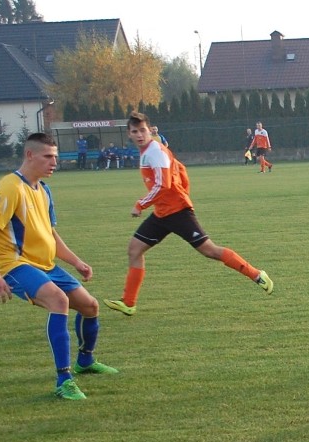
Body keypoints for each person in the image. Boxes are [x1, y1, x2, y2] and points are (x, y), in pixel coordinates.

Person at [0, 133, 118, 400]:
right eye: (48, 157)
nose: (54, 163)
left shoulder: (44, 189)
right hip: (15, 265)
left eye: (56, 157)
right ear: (30, 155)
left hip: (44, 265)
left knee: (90, 306)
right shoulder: (10, 187)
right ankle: (64, 380)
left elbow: (49, 234)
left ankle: (85, 361)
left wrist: (75, 261)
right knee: (58, 300)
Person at [104, 112, 273, 317]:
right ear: (129, 134)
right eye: (134, 131)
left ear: (150, 130)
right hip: (162, 213)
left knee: (210, 251)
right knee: (134, 250)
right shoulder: (148, 151)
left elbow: (163, 184)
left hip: (177, 212)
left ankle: (257, 275)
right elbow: (181, 170)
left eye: (142, 130)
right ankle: (129, 303)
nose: (139, 134)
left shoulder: (155, 151)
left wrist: (141, 204)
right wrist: (181, 191)